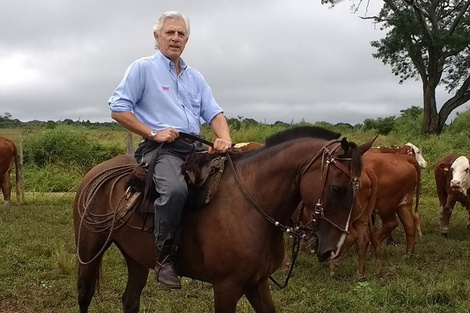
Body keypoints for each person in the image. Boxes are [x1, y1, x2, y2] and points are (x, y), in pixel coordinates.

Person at [108, 11, 232, 289]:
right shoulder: (142, 69)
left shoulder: (195, 77)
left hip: (196, 148)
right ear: (157, 37)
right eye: (170, 33)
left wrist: (223, 137)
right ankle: (165, 256)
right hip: (159, 149)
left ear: (186, 40)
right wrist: (154, 132)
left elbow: (214, 112)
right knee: (175, 190)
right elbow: (118, 109)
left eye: (181, 34)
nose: (176, 38)